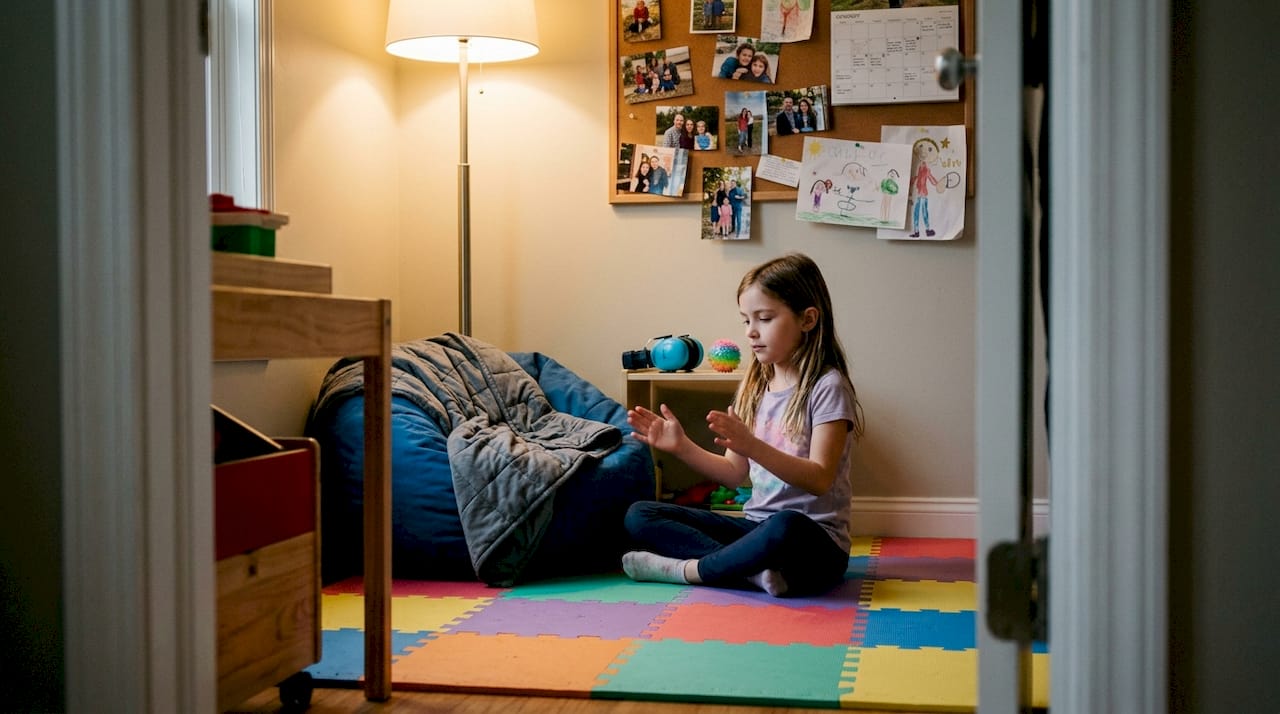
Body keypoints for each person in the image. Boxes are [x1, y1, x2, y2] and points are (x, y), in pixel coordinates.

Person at [622, 253, 865, 598]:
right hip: (755, 531)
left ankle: (691, 571)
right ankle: (751, 573)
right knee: (640, 514)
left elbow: (819, 478)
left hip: (813, 543)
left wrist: (753, 446)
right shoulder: (754, 386)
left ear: (807, 319)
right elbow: (736, 473)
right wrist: (682, 447)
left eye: (764, 318)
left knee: (785, 525)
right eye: (745, 320)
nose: (751, 331)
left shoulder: (827, 386)